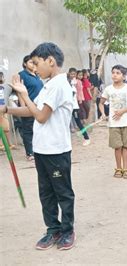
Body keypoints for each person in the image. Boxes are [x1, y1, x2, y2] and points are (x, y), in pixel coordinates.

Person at [2, 42, 76, 250]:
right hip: (42, 150)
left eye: (37, 63)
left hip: (57, 150)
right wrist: (6, 109)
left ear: (50, 61)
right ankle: (52, 229)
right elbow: (32, 111)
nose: (34, 68)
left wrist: (23, 93)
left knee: (62, 192)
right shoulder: (48, 85)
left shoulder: (59, 85)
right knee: (46, 193)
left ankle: (67, 230)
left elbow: (41, 117)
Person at [99, 64, 127, 179]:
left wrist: (122, 111)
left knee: (125, 147)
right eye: (113, 72)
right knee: (117, 147)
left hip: (126, 122)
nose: (114, 75)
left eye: (118, 73)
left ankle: (125, 169)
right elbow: (101, 103)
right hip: (113, 123)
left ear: (123, 76)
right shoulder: (108, 89)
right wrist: (103, 114)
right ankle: (118, 168)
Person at [18, 55, 43, 160]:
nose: (33, 64)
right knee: (28, 131)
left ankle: (38, 151)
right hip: (28, 107)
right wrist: (23, 107)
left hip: (38, 107)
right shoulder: (22, 75)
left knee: (38, 130)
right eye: (30, 62)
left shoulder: (37, 75)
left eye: (34, 62)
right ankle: (30, 153)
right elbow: (20, 92)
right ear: (25, 64)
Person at [68, 68, 90, 146]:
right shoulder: (68, 83)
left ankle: (86, 138)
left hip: (74, 107)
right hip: (67, 107)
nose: (73, 75)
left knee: (79, 123)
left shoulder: (75, 83)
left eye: (74, 74)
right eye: (71, 74)